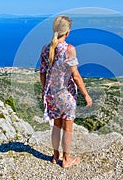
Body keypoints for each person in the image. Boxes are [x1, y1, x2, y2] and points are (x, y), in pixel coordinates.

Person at [39, 15, 92, 168]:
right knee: (68, 128)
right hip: (67, 95)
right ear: (67, 32)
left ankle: (55, 155)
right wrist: (86, 95)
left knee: (56, 126)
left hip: (52, 95)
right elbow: (75, 75)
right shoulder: (69, 49)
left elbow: (42, 72)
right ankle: (66, 160)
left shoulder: (46, 49)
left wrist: (45, 91)